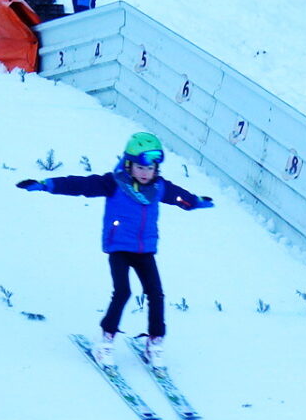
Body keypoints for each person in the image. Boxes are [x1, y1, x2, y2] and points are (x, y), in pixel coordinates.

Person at [17, 132, 212, 363]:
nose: (145, 173)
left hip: (145, 251)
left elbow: (180, 197)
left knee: (156, 294)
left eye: (150, 168)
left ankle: (155, 341)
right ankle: (106, 339)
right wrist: (46, 185)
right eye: (140, 167)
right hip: (119, 248)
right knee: (123, 291)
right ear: (129, 165)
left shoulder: (159, 187)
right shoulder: (114, 183)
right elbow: (80, 185)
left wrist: (194, 202)